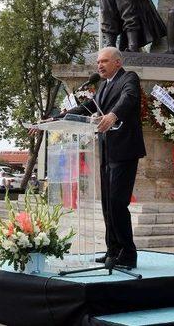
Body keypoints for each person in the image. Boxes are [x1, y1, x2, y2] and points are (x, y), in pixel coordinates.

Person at [64, 47, 145, 268]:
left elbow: (129, 98)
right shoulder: (102, 86)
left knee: (118, 202)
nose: (99, 65)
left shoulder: (129, 78)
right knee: (108, 204)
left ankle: (128, 254)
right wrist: (59, 116)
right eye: (98, 62)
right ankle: (113, 250)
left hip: (125, 150)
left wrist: (113, 114)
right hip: (107, 151)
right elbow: (89, 106)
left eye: (104, 61)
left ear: (117, 63)